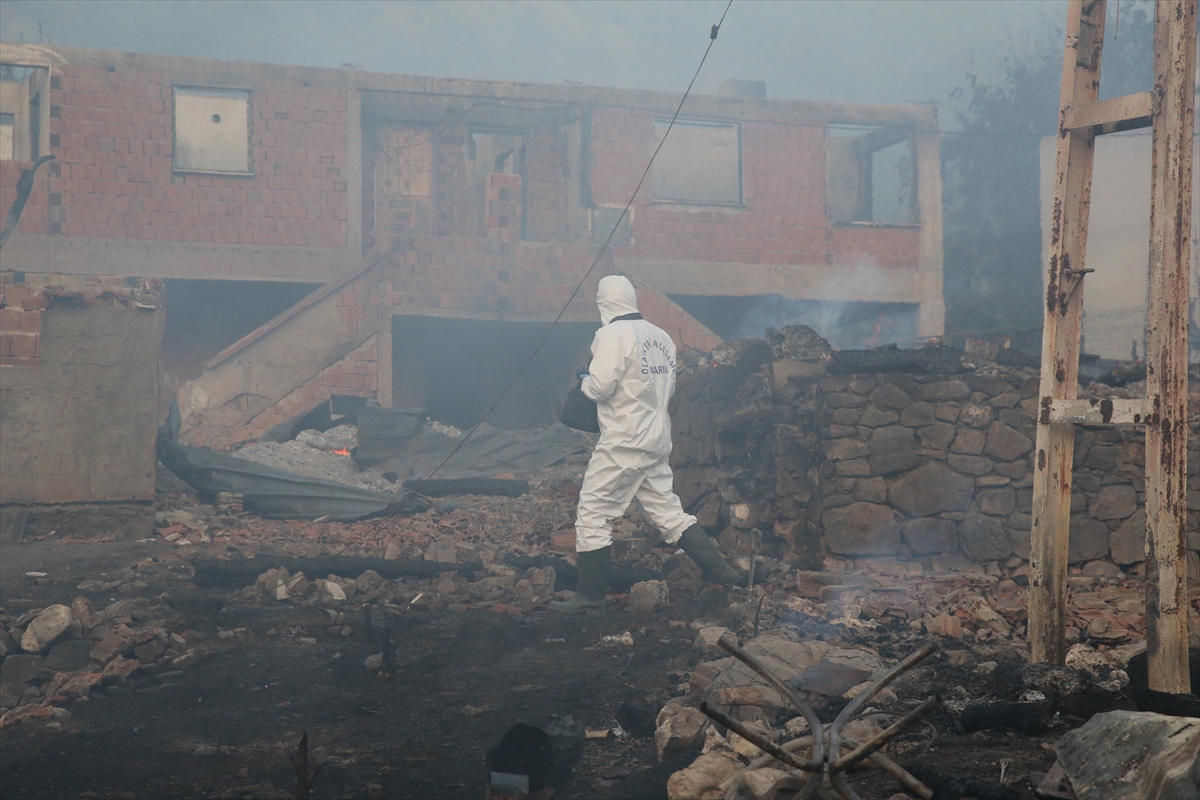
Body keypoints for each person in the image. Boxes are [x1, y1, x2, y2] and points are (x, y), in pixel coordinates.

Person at [550, 275, 739, 612]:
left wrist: (584, 377)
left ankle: (591, 597)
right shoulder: (661, 336)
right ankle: (724, 573)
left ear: (604, 303)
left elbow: (600, 388)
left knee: (593, 513)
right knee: (669, 513)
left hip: (624, 439)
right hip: (656, 436)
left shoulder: (611, 335)